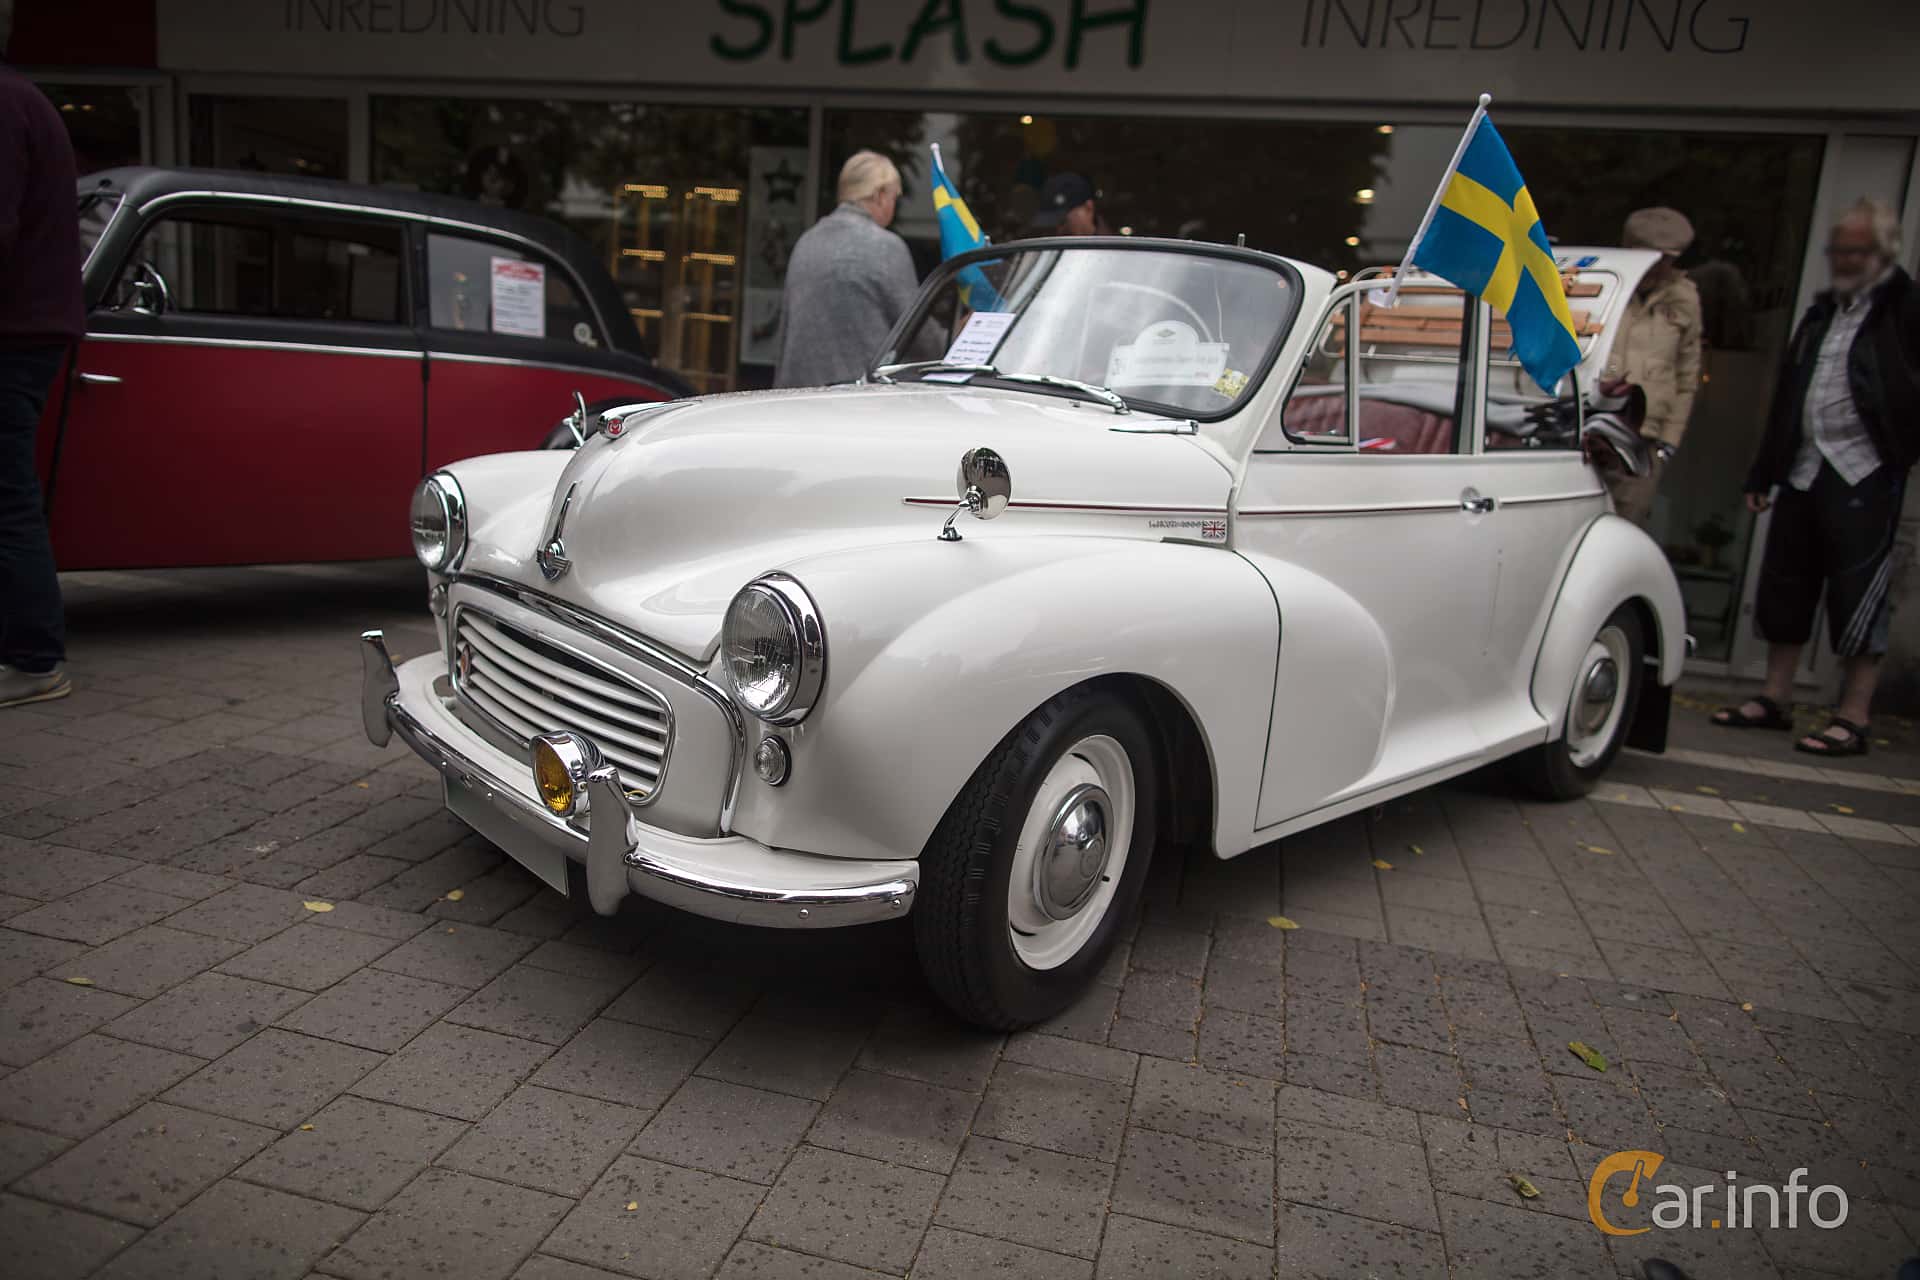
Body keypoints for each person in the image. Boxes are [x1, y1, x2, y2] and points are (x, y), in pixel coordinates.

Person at [1712, 199, 1920, 755]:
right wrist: (1766, 470)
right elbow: (1789, 393)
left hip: (1867, 472)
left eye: (1857, 250)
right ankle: (1775, 698)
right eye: (1840, 250)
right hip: (1805, 469)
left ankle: (1853, 717)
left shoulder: (1905, 306)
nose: (1845, 260)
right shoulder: (1824, 310)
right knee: (1786, 583)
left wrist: (1902, 443)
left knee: (1859, 593)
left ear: (1883, 252)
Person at [0, 64, 82, 709]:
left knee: (6, 500)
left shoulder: (6, 103)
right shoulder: (26, 100)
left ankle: (32, 658)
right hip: (26, 328)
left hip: (13, 333)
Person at [773, 150, 921, 389]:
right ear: (880, 195)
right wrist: (957, 335)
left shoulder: (806, 242)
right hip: (859, 407)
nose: (894, 206)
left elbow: (785, 336)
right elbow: (916, 333)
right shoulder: (885, 246)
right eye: (895, 197)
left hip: (798, 403)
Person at [1600, 206, 1703, 525]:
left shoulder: (1685, 298)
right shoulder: (1603, 283)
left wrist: (1667, 443)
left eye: (1669, 259)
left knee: (1621, 534)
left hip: (1643, 442)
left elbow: (1687, 376)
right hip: (1588, 434)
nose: (1660, 267)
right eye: (1652, 257)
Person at [1023, 172, 1099, 238]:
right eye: (1050, 227)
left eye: (1063, 221)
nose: (1058, 231)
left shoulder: (1108, 250)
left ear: (1088, 209)